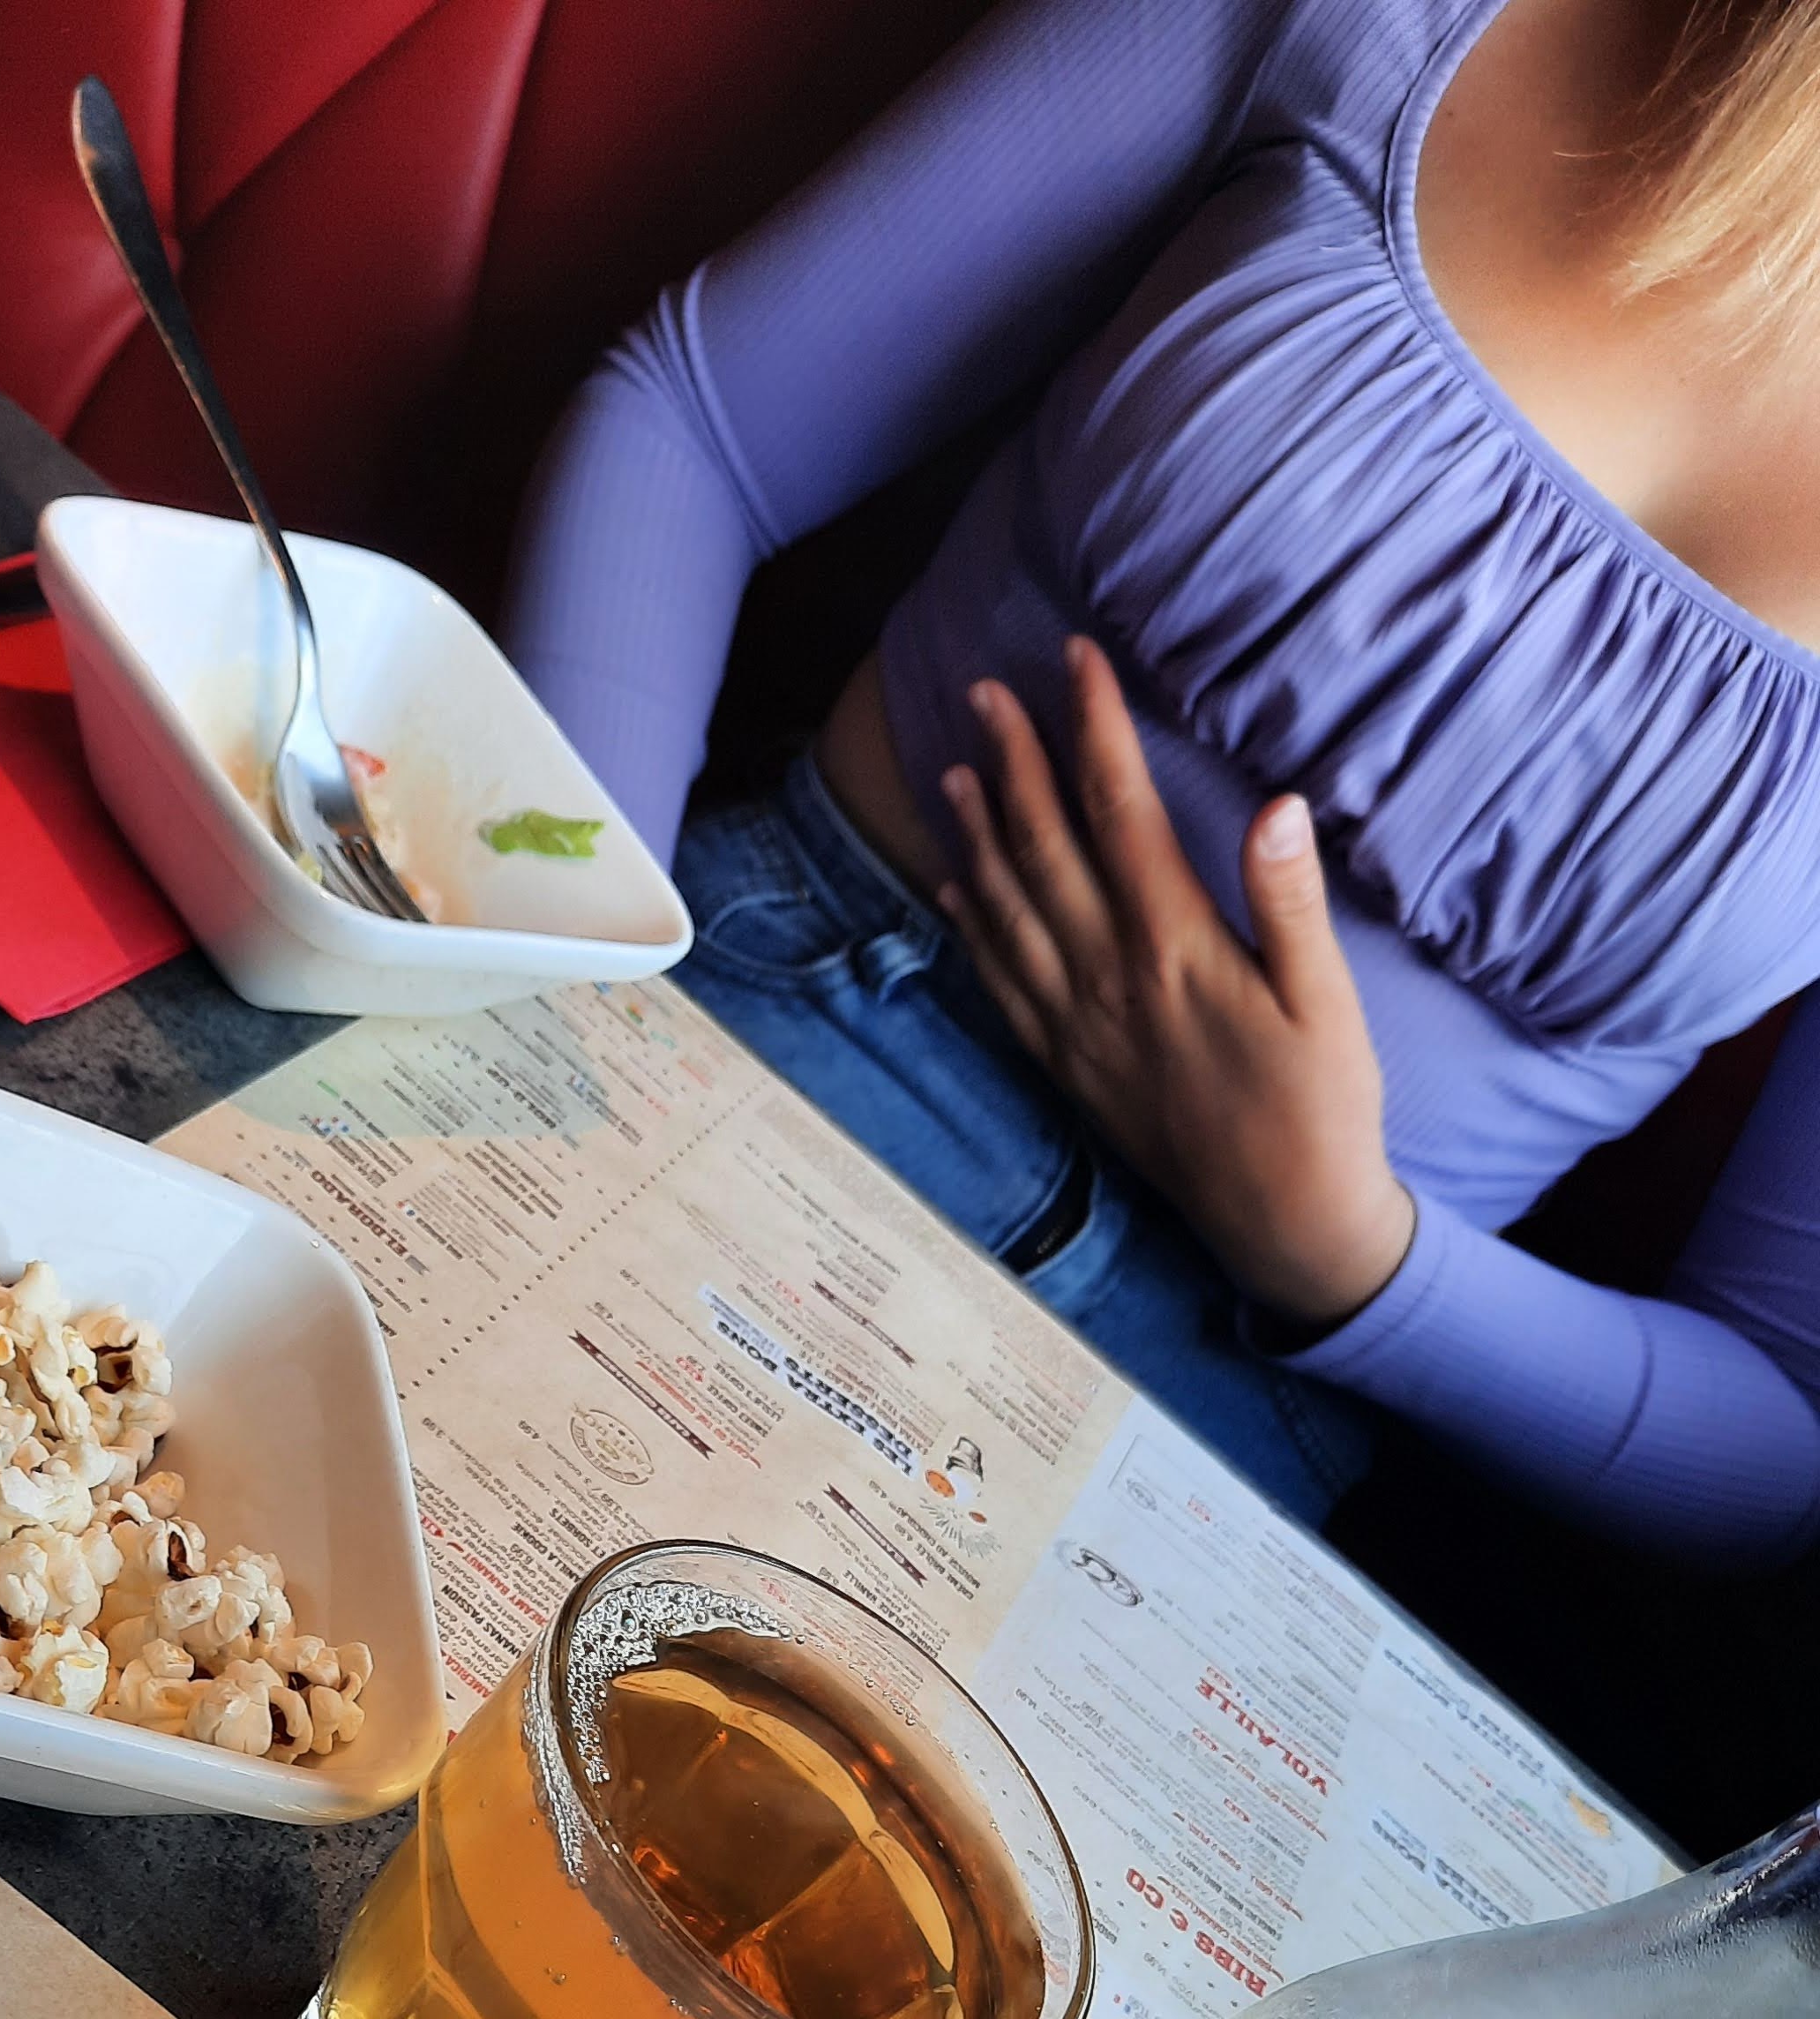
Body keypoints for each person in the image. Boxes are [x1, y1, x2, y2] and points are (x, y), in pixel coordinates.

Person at [502, 0, 1820, 1562]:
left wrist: (1359, 1258)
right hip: (776, 1012)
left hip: (1222, 1422)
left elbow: (1783, 1427)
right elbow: (693, 421)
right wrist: (554, 1001)